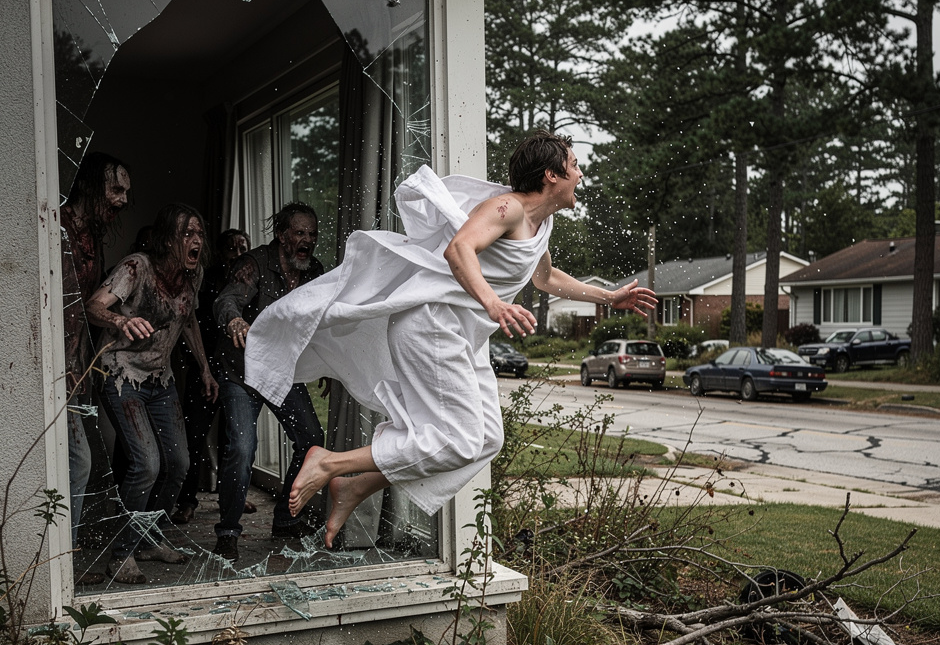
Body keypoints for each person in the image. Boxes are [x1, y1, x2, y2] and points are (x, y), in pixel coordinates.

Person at [244, 130, 658, 548]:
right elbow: (459, 248)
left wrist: (610, 295)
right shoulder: (507, 209)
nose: (580, 175)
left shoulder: (541, 223)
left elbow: (546, 277)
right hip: (430, 325)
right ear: (552, 175)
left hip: (461, 337)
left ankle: (355, 487)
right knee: (457, 438)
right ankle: (331, 463)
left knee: (487, 438)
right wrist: (494, 305)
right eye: (574, 166)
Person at [86, 204, 218, 584]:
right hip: (120, 374)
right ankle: (122, 555)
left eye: (199, 234)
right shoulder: (136, 267)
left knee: (178, 464)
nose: (195, 241)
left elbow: (188, 317)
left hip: (160, 380)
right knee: (146, 464)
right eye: (186, 234)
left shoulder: (194, 277)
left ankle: (148, 539)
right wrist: (121, 320)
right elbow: (95, 305)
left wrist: (205, 368)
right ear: (167, 240)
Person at [211, 203, 328, 561]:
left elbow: (324, 323)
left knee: (311, 440)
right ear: (281, 235)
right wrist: (233, 321)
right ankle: (228, 532)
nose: (306, 240)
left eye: (311, 233)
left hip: (281, 371)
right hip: (241, 373)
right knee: (243, 449)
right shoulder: (255, 264)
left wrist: (327, 364)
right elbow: (226, 300)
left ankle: (285, 519)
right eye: (299, 233)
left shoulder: (315, 272)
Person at [60, 151, 131, 582]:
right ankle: (61, 563)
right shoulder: (60, 227)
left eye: (126, 191)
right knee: (78, 460)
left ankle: (62, 558)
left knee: (79, 459)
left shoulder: (94, 236)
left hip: (77, 365)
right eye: (116, 189)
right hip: (56, 366)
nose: (123, 200)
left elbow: (87, 309)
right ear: (89, 185)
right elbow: (60, 303)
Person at [171, 228, 252, 525]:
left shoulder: (250, 285)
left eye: (243, 247)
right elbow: (188, 322)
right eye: (232, 248)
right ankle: (188, 500)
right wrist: (200, 364)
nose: (238, 253)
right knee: (194, 435)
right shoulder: (204, 281)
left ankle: (230, 497)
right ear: (220, 253)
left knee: (234, 437)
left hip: (235, 372)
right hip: (203, 367)